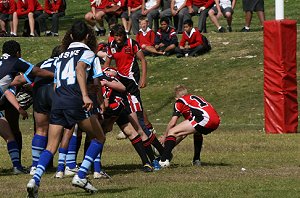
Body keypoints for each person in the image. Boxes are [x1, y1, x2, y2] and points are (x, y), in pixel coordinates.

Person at [26, 21, 106, 197]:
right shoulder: (88, 53)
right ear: (87, 36)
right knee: (99, 137)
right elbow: (80, 69)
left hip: (59, 100)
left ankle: (35, 179)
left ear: (70, 36)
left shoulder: (61, 56)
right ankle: (82, 175)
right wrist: (86, 95)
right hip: (75, 100)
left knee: (51, 144)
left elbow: (57, 83)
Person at [103, 24, 165, 166]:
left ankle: (162, 153)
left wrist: (143, 78)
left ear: (124, 36)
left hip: (130, 83)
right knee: (138, 123)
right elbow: (107, 63)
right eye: (115, 36)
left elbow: (142, 59)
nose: (117, 39)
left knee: (140, 123)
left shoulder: (131, 43)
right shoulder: (111, 45)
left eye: (120, 36)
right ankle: (158, 154)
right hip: (120, 84)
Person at [0, 40, 54, 174]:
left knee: (9, 134)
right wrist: (56, 75)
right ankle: (17, 167)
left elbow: (8, 89)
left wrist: (18, 108)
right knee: (9, 135)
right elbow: (36, 71)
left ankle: (17, 167)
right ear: (18, 53)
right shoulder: (16, 61)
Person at [159, 85, 220, 167]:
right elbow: (184, 132)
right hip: (216, 120)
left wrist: (164, 137)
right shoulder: (194, 98)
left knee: (172, 132)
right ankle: (196, 160)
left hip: (205, 118)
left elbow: (172, 123)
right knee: (197, 131)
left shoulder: (179, 101)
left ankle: (163, 160)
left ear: (176, 98)